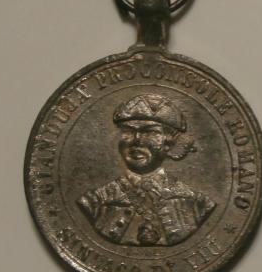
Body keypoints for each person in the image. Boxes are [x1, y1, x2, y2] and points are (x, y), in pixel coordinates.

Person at [77, 93, 215, 246]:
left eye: (150, 132)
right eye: (128, 131)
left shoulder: (197, 203)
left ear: (169, 142)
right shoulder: (94, 202)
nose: (137, 140)